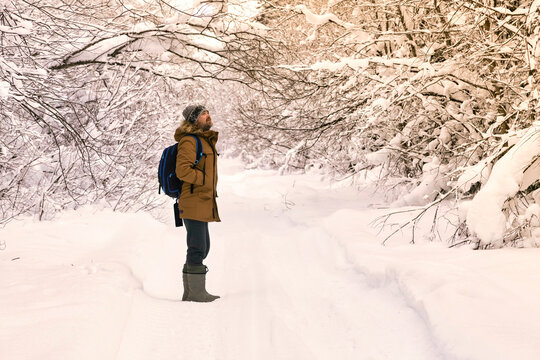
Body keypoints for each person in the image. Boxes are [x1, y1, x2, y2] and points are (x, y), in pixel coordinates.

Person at [174, 104, 220, 302]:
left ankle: (191, 291)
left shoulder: (204, 140)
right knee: (198, 247)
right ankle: (196, 293)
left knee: (203, 246)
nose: (208, 116)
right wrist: (203, 179)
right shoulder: (190, 141)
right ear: (194, 119)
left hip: (202, 199)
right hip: (193, 199)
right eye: (203, 114)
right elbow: (182, 170)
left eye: (208, 112)